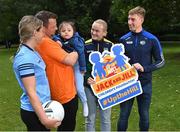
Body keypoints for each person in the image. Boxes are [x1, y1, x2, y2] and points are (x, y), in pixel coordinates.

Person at [117, 6, 165, 131]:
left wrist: (145, 68)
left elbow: (161, 61)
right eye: (128, 19)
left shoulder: (151, 39)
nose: (129, 22)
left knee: (144, 115)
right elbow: (117, 64)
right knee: (123, 115)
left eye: (133, 19)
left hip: (145, 84)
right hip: (127, 84)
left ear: (141, 20)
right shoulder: (123, 39)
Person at [13, 15, 61, 131]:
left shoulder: (31, 51)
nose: (43, 34)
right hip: (34, 112)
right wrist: (44, 119)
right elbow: (31, 92)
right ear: (35, 32)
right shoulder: (25, 58)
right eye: (41, 30)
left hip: (40, 109)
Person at [35, 11, 78, 131]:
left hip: (56, 92)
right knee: (67, 127)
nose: (55, 28)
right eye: (53, 26)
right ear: (43, 27)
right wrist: (75, 52)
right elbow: (70, 60)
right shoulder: (46, 42)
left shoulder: (42, 41)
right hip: (64, 95)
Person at [52, 21, 88, 117]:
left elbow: (81, 54)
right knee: (69, 89)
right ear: (59, 32)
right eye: (63, 31)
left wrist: (83, 67)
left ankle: (85, 102)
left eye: (69, 30)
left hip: (77, 66)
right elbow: (53, 37)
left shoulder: (76, 40)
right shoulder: (59, 39)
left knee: (79, 88)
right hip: (66, 66)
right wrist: (56, 39)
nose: (66, 32)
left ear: (73, 31)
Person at [84, 19, 113, 131]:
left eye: (97, 31)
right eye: (92, 29)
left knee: (105, 118)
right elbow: (80, 67)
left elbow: (116, 67)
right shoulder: (85, 45)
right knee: (90, 117)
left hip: (106, 88)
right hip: (89, 87)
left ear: (104, 33)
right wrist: (86, 78)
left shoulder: (110, 45)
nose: (94, 33)